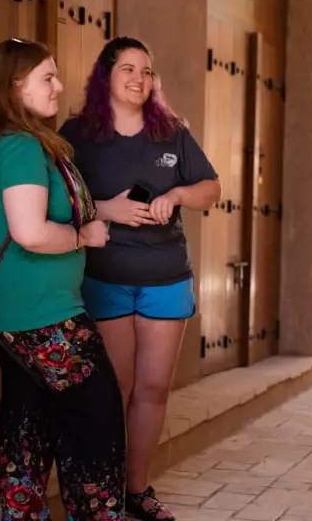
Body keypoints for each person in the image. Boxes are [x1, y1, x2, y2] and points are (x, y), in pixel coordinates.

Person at [0, 38, 126, 519]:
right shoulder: (20, 147)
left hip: (13, 313)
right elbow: (30, 231)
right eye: (47, 78)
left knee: (25, 421)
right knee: (96, 424)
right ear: (16, 86)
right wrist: (83, 238)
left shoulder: (8, 142)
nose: (59, 86)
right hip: (45, 317)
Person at [59, 36, 221, 521]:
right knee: (118, 388)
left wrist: (177, 195)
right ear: (105, 75)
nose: (138, 78)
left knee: (153, 389)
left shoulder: (171, 131)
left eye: (146, 71)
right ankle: (103, 490)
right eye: (128, 68)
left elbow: (210, 188)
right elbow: (56, 198)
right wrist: (105, 208)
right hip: (105, 277)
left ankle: (136, 489)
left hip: (166, 276)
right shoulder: (78, 134)